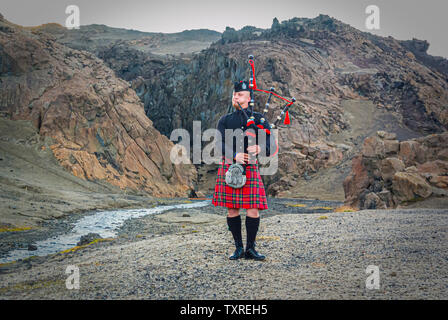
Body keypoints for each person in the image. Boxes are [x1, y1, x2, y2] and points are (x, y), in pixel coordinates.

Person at [212, 80, 276, 261]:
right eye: (234, 94)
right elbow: (219, 143)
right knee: (232, 209)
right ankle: (238, 248)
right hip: (230, 167)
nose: (235, 97)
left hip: (251, 168)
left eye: (239, 95)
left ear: (249, 98)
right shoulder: (225, 120)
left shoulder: (259, 120)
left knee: (253, 209)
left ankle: (251, 249)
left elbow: (272, 144)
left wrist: (260, 149)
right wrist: (235, 156)